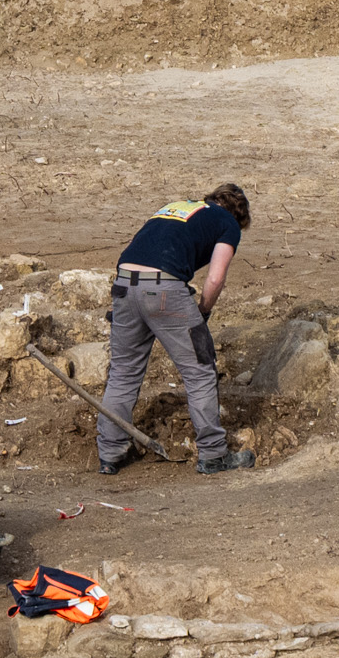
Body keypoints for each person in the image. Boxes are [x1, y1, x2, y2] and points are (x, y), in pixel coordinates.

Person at [102, 183, 251, 475]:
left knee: (122, 372)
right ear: (239, 215)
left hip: (123, 283)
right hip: (164, 289)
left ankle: (110, 452)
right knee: (200, 368)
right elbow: (215, 279)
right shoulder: (228, 223)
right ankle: (213, 454)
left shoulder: (176, 208)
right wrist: (203, 311)